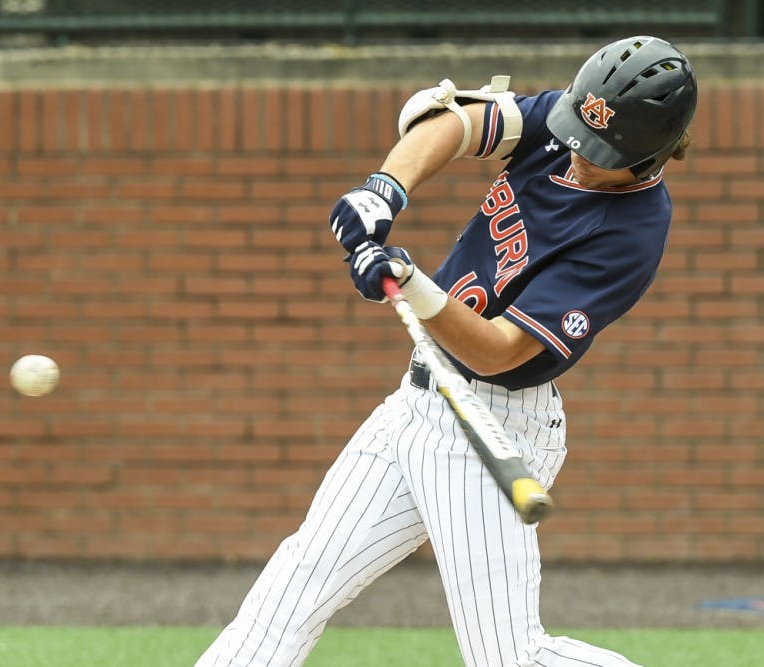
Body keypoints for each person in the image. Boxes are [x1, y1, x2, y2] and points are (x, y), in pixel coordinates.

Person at [195, 35, 696, 667]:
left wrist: (411, 282)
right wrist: (383, 191)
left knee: (507, 656)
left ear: (650, 153)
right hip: (417, 401)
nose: (575, 154)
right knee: (290, 594)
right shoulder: (567, 122)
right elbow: (458, 122)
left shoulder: (631, 232)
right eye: (576, 131)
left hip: (493, 421)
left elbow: (499, 351)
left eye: (600, 153)